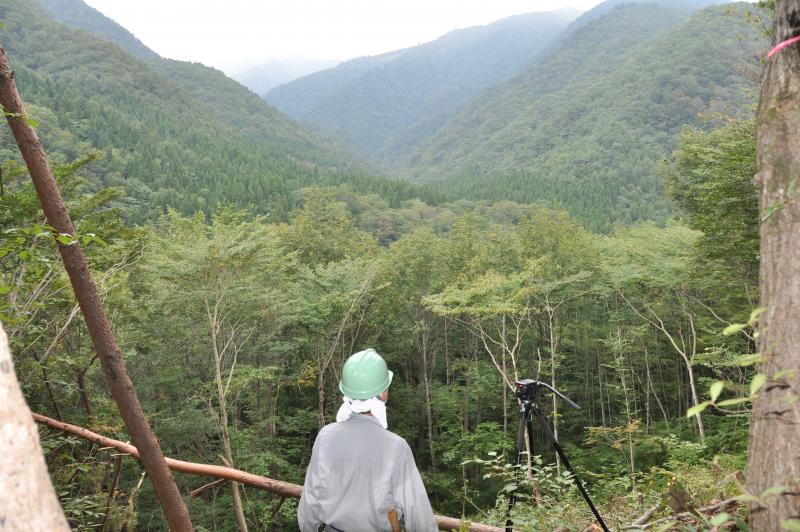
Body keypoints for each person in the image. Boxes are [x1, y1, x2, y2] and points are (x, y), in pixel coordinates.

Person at [298, 348, 438, 532]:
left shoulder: (325, 436)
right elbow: (420, 518)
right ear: (383, 394)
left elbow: (309, 504)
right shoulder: (396, 447)